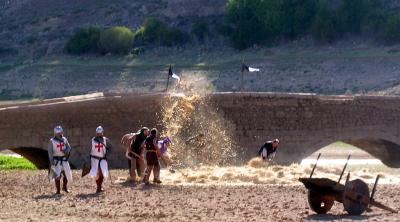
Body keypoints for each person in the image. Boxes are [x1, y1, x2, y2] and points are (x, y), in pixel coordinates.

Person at [48, 125, 73, 194]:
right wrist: (52, 161)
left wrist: (66, 151)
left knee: (67, 175)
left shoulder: (64, 139)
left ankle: (64, 187)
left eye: (61, 132)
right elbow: (50, 152)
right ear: (56, 133)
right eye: (59, 133)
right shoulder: (52, 141)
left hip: (64, 160)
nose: (60, 134)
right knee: (57, 175)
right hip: (56, 160)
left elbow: (68, 147)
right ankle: (58, 191)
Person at [88, 126, 113, 193]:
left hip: (103, 159)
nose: (99, 134)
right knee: (96, 174)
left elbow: (111, 148)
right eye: (98, 133)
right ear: (96, 133)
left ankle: (99, 187)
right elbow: (88, 149)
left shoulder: (106, 140)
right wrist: (88, 159)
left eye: (100, 133)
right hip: (94, 159)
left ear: (102, 133)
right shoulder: (92, 140)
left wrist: (107, 154)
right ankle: (98, 187)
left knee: (102, 172)